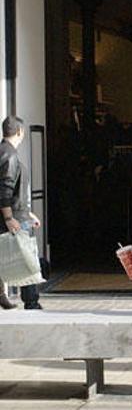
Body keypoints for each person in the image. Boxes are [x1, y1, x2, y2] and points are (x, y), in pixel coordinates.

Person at [0, 116, 42, 310]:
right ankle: (31, 301)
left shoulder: (4, 152)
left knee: (9, 256)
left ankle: (2, 294)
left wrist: (28, 212)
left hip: (18, 212)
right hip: (15, 216)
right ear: (19, 132)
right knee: (27, 257)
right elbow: (6, 190)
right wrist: (9, 218)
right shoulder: (9, 155)